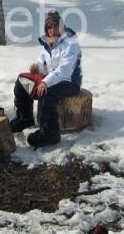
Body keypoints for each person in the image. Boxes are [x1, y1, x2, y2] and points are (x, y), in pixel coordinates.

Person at [10, 10, 82, 148]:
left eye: (55, 26)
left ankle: (50, 133)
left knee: (45, 93)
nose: (52, 30)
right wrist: (36, 68)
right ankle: (24, 118)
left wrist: (45, 82)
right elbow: (43, 63)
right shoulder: (47, 43)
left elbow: (65, 69)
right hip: (51, 78)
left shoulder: (70, 42)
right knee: (22, 82)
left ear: (61, 26)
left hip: (69, 81)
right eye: (49, 27)